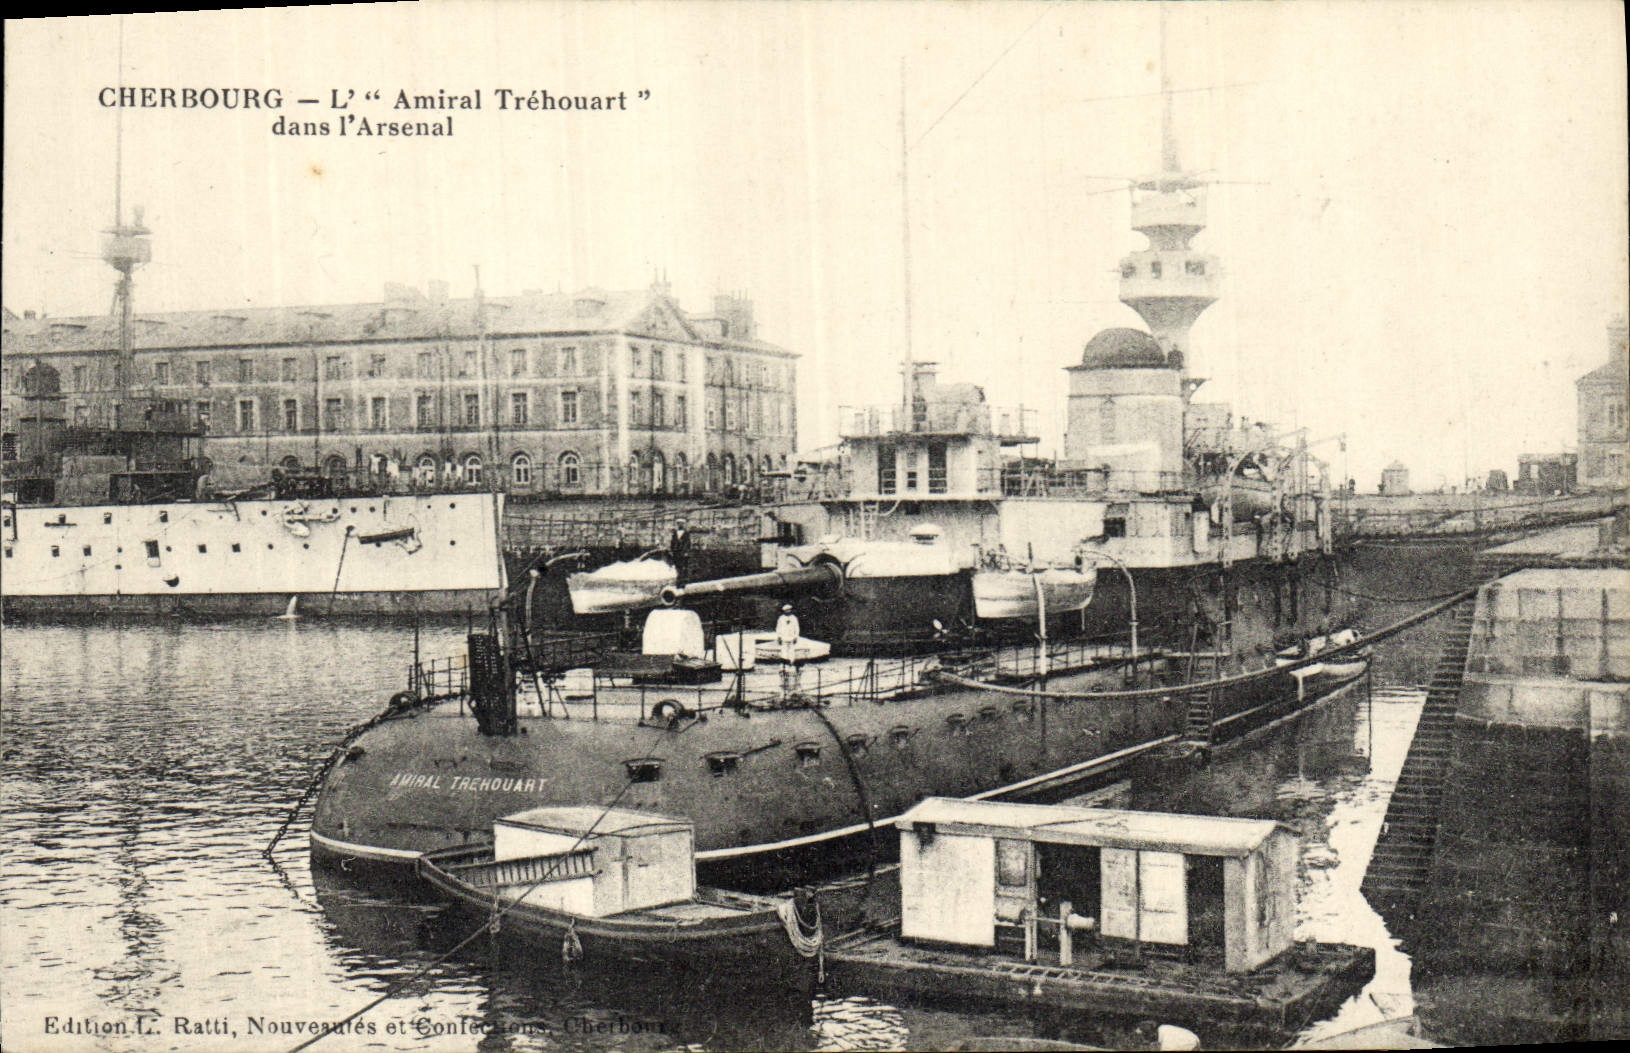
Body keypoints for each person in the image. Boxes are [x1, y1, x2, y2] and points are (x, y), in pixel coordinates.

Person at [776, 603, 801, 696]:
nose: (788, 611)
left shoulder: (794, 618)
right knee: (784, 650)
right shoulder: (781, 618)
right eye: (786, 610)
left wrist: (795, 636)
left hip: (791, 637)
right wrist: (779, 636)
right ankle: (784, 662)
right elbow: (778, 628)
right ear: (784, 611)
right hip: (784, 637)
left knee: (791, 651)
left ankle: (791, 662)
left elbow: (796, 628)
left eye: (789, 610)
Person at [668, 518, 692, 584]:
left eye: (681, 523)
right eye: (678, 523)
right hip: (676, 552)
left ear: (683, 524)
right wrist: (672, 550)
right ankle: (678, 578)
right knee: (677, 565)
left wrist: (686, 552)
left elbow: (688, 543)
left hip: (683, 552)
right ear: (677, 524)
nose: (680, 525)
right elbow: (672, 542)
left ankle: (684, 579)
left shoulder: (686, 533)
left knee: (684, 566)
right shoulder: (675, 533)